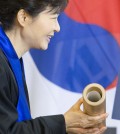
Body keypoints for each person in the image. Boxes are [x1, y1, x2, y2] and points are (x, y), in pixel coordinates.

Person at [0, 0, 108, 134]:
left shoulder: (12, 59)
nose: (57, 27)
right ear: (23, 17)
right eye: (53, 18)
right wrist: (63, 123)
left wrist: (66, 127)